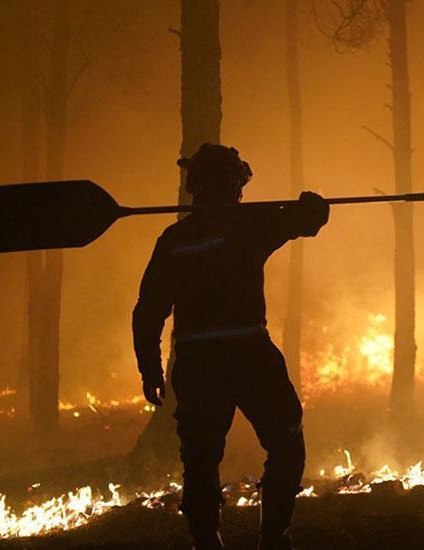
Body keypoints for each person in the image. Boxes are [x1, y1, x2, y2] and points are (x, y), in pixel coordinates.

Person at [132, 143, 329, 550]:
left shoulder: (174, 240)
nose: (241, 191)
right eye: (238, 183)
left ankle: (207, 544)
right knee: (286, 440)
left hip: (197, 363)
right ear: (230, 185)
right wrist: (313, 207)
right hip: (249, 355)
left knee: (200, 460)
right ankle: (275, 538)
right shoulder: (248, 227)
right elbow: (306, 220)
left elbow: (149, 310)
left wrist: (150, 367)